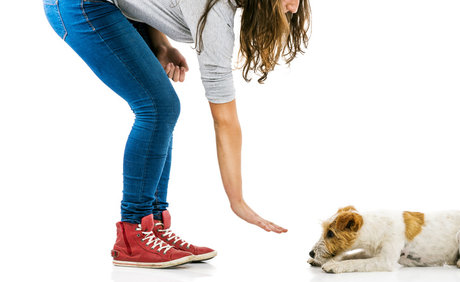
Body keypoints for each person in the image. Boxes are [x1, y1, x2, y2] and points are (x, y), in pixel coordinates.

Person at [42, 0, 311, 268]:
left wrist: (161, 45)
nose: (295, 7)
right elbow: (225, 120)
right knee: (158, 106)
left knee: (162, 107)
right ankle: (133, 234)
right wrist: (238, 202)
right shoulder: (214, 15)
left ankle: (152, 227)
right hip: (78, 4)